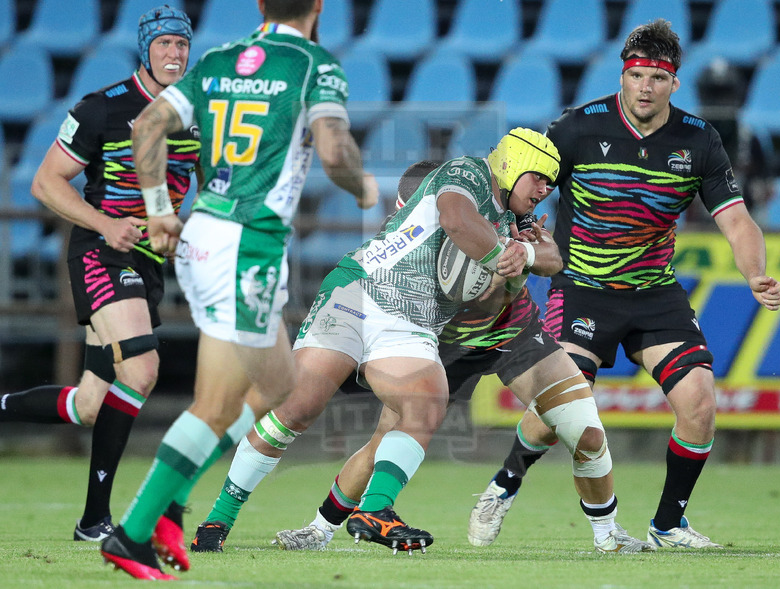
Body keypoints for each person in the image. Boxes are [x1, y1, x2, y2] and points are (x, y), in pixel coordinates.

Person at [191, 157, 654, 555]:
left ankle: (606, 533)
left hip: (485, 332)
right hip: (396, 316)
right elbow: (477, 275)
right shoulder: (434, 226)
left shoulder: (494, 220)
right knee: (321, 416)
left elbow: (528, 276)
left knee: (566, 425)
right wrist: (509, 263)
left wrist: (524, 257)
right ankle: (269, 523)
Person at [468, 18, 780, 551]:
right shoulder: (575, 129)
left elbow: (735, 218)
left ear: (673, 83)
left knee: (701, 400)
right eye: (636, 75)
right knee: (561, 409)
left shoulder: (699, 140)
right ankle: (503, 485)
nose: (645, 86)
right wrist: (520, 235)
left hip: (654, 294)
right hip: (582, 286)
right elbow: (522, 187)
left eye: (656, 78)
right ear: (623, 75)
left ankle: (667, 526)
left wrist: (754, 272)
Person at [99, 0, 379, 581]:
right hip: (246, 247)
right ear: (318, 7)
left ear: (259, 5)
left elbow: (147, 126)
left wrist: (157, 211)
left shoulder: (220, 58)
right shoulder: (312, 64)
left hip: (206, 232)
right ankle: (137, 530)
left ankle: (169, 507)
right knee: (216, 404)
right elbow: (333, 150)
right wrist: (363, 185)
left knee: (279, 385)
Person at [0, 5, 198, 545]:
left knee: (91, 403)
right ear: (145, 50)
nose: (174, 54)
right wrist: (106, 224)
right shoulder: (101, 110)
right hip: (101, 251)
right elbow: (46, 183)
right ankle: (95, 523)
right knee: (141, 369)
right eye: (164, 45)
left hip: (149, 260)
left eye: (181, 45)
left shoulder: (199, 109)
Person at [686, 57, 775, 226]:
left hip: (746, 220)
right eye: (714, 95)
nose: (719, 103)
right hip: (700, 225)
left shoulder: (749, 138)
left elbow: (767, 186)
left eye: (724, 95)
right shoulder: (688, 138)